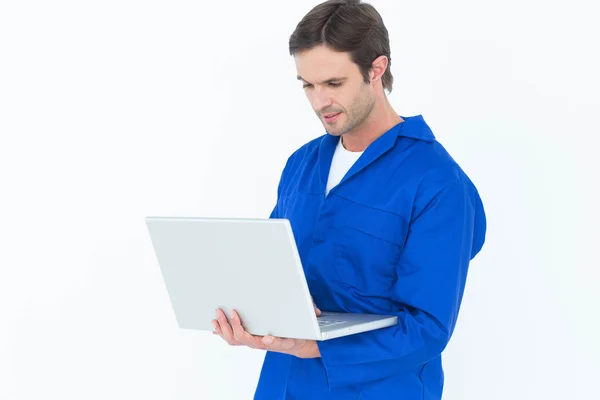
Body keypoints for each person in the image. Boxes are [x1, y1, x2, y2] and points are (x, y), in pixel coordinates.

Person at [212, 0, 487, 398]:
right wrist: (254, 307)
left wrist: (318, 346)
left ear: (376, 69)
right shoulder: (302, 164)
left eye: (333, 83)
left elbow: (427, 329)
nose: (318, 101)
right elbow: (272, 267)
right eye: (307, 85)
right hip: (285, 383)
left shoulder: (437, 182)